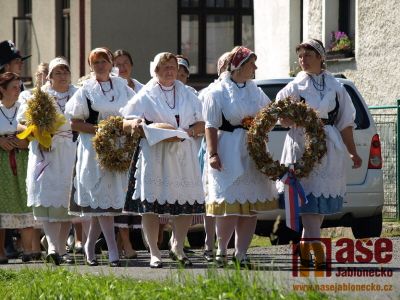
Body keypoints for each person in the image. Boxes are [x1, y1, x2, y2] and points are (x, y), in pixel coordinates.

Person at [276, 39, 362, 269]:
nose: (303, 61)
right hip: (302, 146)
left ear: (321, 57)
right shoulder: (295, 86)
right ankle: (319, 255)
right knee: (309, 205)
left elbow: (345, 122)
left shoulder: (336, 86)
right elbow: (278, 113)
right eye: (300, 56)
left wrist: (353, 152)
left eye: (308, 56)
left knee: (319, 207)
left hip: (328, 146)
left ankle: (305, 253)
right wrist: (292, 120)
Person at [122, 52, 205, 268]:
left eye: (173, 66)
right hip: (155, 153)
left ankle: (177, 245)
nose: (170, 70)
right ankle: (154, 252)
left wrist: (190, 131)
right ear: (155, 70)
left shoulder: (188, 93)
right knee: (151, 205)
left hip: (182, 152)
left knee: (185, 202)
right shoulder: (146, 94)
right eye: (165, 67)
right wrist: (136, 125)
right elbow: (126, 121)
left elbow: (203, 123)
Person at [203, 46, 278, 267]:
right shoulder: (217, 92)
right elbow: (210, 125)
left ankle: (241, 253)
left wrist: (265, 126)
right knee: (229, 205)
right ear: (240, 66)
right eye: (251, 64)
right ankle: (221, 251)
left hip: (252, 150)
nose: (255, 68)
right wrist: (213, 153)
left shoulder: (254, 90)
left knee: (250, 206)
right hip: (228, 148)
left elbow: (270, 113)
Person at [65, 47, 135, 267]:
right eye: (96, 62)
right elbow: (74, 122)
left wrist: (122, 129)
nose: (101, 65)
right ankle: (112, 250)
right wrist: (101, 130)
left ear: (110, 63)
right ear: (91, 66)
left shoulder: (122, 87)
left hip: (118, 148)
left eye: (104, 61)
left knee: (104, 204)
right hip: (95, 148)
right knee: (101, 200)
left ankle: (89, 246)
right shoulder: (86, 90)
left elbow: (135, 111)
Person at [17, 57, 78, 265]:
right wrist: (36, 134)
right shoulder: (39, 96)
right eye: (57, 73)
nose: (62, 76)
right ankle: (52, 246)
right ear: (49, 77)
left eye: (65, 72)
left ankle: (60, 250)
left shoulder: (78, 93)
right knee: (47, 200)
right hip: (45, 152)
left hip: (69, 151)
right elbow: (20, 123)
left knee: (65, 203)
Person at [198, 51, 231, 263]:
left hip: (232, 147)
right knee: (210, 197)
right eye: (226, 65)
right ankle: (209, 241)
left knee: (230, 198)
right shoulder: (210, 92)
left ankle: (225, 243)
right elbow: (201, 122)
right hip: (210, 146)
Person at [0, 72, 36, 264]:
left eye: (19, 86)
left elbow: (34, 134)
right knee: (2, 203)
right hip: (1, 163)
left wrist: (27, 142)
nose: (18, 90)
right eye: (13, 87)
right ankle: (1, 252)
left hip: (22, 160)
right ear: (2, 89)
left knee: (25, 200)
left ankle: (28, 250)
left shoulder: (25, 109)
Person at [113, 49, 143, 259]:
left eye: (125, 63)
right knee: (121, 194)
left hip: (137, 144)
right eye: (118, 64)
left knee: (133, 192)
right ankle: (125, 242)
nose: (122, 67)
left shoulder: (140, 88)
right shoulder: (112, 88)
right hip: (116, 145)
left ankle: (121, 242)